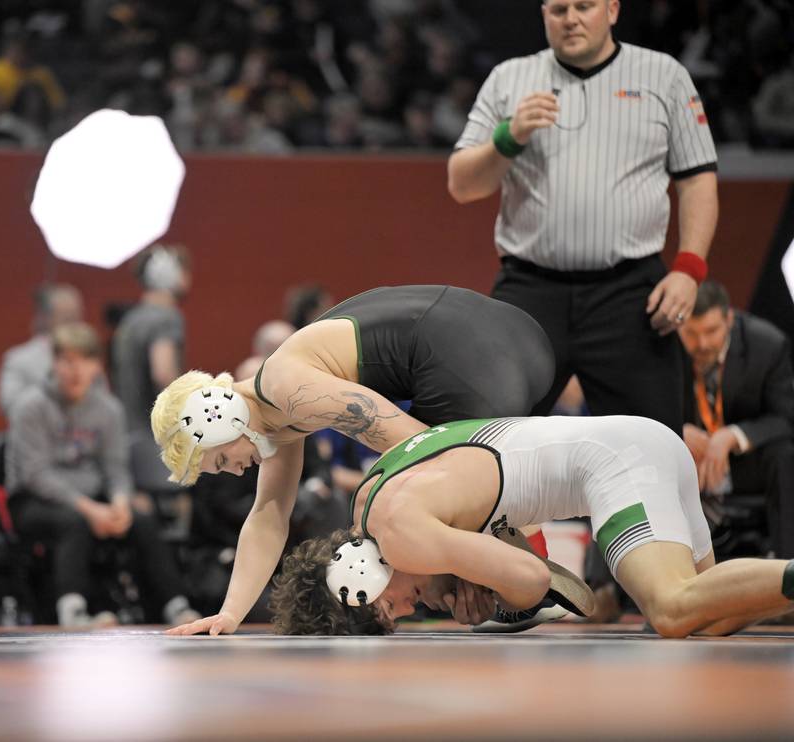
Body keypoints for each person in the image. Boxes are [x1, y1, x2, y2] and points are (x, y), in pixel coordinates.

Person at [155, 284, 555, 634]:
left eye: (222, 461)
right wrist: (229, 615)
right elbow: (268, 515)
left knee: (387, 501)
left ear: (219, 417)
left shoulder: (288, 388)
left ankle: (533, 570)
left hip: (482, 352)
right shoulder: (281, 415)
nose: (235, 470)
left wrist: (459, 566)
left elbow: (429, 450)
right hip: (504, 344)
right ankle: (524, 566)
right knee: (420, 504)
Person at [447, 0, 719, 435]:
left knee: (652, 444)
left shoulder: (663, 75)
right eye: (558, 9)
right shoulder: (510, 78)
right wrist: (509, 136)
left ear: (612, 10)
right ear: (543, 15)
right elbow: (462, 185)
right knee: (490, 437)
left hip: (630, 294)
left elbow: (697, 181)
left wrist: (689, 270)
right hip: (531, 290)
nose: (570, 18)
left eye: (584, 6)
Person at [270, 415, 794, 637]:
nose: (407, 611)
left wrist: (489, 591)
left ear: (362, 573)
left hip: (617, 463)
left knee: (672, 610)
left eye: (389, 608)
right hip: (637, 441)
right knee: (710, 617)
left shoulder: (402, 537)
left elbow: (535, 580)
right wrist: (464, 573)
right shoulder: (373, 496)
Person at [4, 322, 199, 628]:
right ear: (54, 363)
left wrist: (120, 501)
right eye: (68, 361)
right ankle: (73, 611)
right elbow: (35, 474)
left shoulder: (108, 409)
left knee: (141, 520)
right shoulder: (30, 407)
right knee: (75, 522)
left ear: (96, 366)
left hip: (94, 499)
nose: (76, 370)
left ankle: (175, 605)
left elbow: (115, 468)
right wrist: (89, 509)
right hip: (34, 502)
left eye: (85, 360)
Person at [678, 280, 794, 559]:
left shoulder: (767, 345)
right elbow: (634, 408)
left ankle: (787, 565)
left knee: (784, 453)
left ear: (729, 320)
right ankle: (614, 577)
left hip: (742, 463)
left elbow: (785, 417)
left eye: (711, 331)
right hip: (683, 459)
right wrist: (674, 431)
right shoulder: (661, 345)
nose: (702, 343)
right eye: (691, 333)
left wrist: (733, 436)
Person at [111, 244, 191, 491]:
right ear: (168, 273)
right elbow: (163, 373)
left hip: (129, 435)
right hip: (157, 441)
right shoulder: (166, 317)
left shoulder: (130, 319)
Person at [0, 284, 83, 420]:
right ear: (45, 317)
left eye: (76, 316)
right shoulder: (18, 359)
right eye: (66, 317)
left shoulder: (88, 358)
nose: (74, 324)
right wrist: (53, 386)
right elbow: (9, 406)